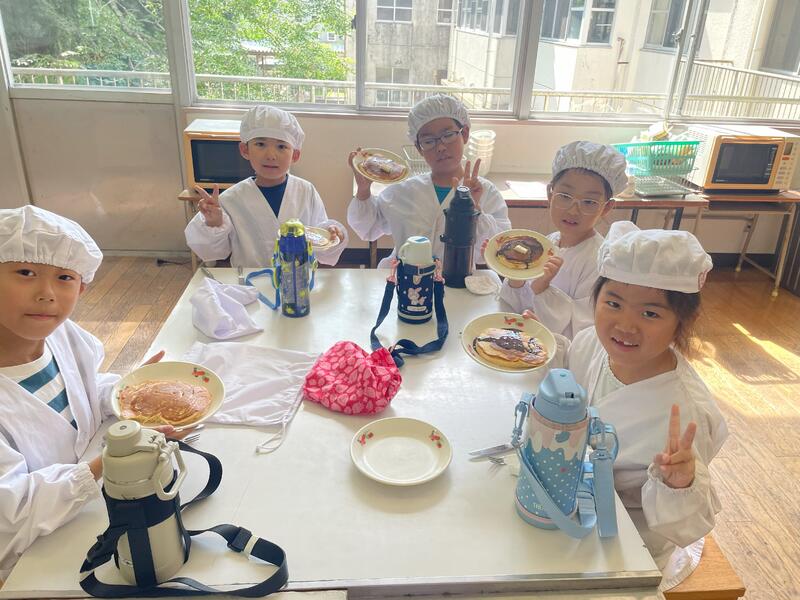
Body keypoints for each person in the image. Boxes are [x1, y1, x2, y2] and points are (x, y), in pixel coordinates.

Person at [538, 221, 728, 590]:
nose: (625, 325)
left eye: (650, 313)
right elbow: (569, 381)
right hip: (566, 496)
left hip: (628, 539)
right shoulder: (591, 342)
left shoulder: (686, 411)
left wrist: (679, 484)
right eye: (613, 303)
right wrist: (540, 348)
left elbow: (683, 527)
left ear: (683, 322)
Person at [0, 206, 177, 581]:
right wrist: (108, 464)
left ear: (81, 287)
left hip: (89, 519)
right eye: (26, 273)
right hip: (29, 565)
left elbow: (85, 388)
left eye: (64, 277)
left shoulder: (62, 336)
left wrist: (131, 396)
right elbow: (10, 515)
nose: (46, 294)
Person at [347, 94, 511, 268]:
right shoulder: (402, 192)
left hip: (457, 281)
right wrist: (363, 191)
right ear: (419, 148)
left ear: (464, 134)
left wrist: (473, 210)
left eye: (448, 135)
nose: (440, 147)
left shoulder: (485, 192)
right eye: (428, 141)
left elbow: (495, 251)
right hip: (405, 280)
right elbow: (367, 229)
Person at [185, 106, 348, 268]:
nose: (270, 155)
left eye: (281, 146)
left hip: (298, 280)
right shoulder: (230, 199)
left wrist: (333, 234)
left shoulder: (306, 192)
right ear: (245, 150)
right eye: (261, 144)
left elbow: (321, 243)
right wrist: (214, 223)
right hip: (250, 281)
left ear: (295, 155)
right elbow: (213, 252)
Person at [499, 141, 627, 339]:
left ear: (606, 208)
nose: (573, 210)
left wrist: (543, 289)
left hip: (558, 353)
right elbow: (519, 306)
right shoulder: (549, 242)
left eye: (589, 202)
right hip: (526, 340)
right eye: (565, 196)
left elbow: (583, 330)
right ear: (550, 194)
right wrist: (516, 278)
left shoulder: (599, 262)